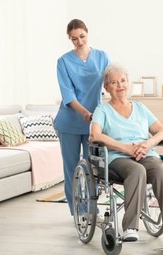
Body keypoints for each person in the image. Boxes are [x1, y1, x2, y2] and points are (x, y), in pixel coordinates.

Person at [90, 63, 163, 244]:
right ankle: (130, 227)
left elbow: (162, 131)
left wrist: (147, 144)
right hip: (117, 157)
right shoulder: (103, 110)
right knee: (137, 171)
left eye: (123, 81)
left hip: (145, 153)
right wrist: (126, 148)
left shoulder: (140, 108)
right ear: (106, 87)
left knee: (161, 171)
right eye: (114, 83)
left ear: (128, 83)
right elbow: (95, 135)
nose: (120, 86)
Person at [54, 19, 110, 220]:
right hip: (69, 121)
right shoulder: (63, 61)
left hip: (93, 123)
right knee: (71, 169)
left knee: (92, 168)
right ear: (70, 39)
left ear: (87, 33)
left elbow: (110, 84)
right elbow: (68, 95)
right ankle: (78, 212)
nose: (79, 41)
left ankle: (92, 210)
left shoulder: (102, 57)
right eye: (74, 39)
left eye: (82, 36)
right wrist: (85, 112)